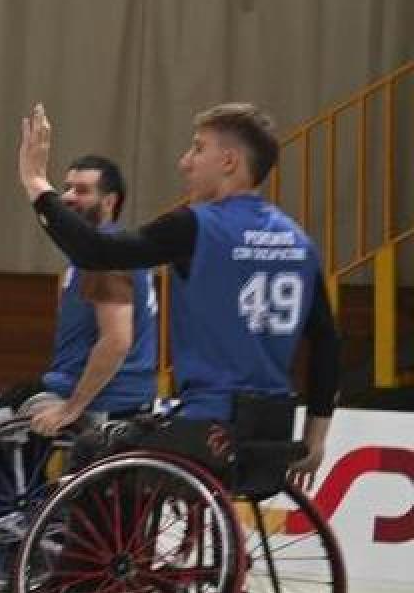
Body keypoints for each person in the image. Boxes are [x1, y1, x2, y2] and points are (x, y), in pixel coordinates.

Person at [17, 102, 341, 489]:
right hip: (271, 430)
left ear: (229, 161)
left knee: (93, 449)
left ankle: (83, 550)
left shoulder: (198, 226)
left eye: (198, 148)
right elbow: (326, 342)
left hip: (208, 425)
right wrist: (316, 437)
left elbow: (96, 251)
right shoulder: (299, 241)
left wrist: (37, 183)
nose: (185, 162)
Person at [0, 155, 158, 444]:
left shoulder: (105, 256)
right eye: (66, 188)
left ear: (109, 202)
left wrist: (72, 407)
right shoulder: (107, 251)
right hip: (111, 389)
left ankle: (20, 489)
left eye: (81, 190)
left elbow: (117, 341)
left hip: (102, 398)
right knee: (22, 405)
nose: (67, 197)